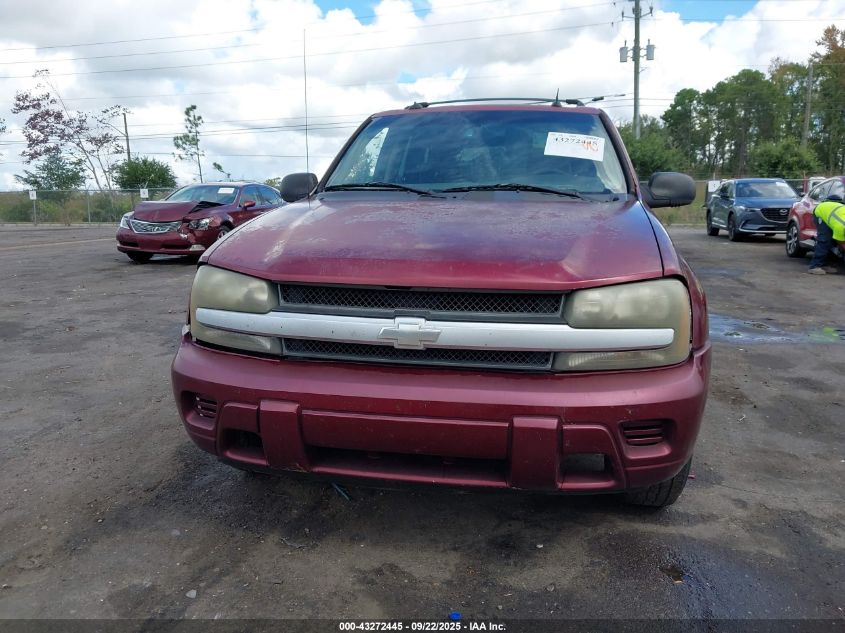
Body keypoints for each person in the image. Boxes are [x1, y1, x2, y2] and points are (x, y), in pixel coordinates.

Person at [808, 193, 845, 275]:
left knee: (832, 242)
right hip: (821, 212)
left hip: (833, 214)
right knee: (824, 240)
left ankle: (825, 264)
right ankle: (814, 266)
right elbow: (840, 241)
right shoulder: (841, 226)